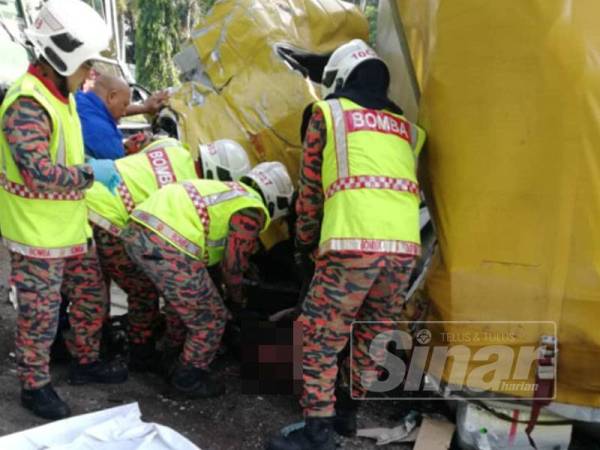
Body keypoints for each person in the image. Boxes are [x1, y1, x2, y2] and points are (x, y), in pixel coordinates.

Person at [266, 39, 426, 450]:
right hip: (404, 251)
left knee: (319, 336)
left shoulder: (328, 114)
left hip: (353, 244)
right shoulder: (409, 129)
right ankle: (346, 417)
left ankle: (317, 432)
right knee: (371, 335)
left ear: (338, 78)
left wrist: (303, 249)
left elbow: (311, 194)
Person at [0, 0, 128, 420]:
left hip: (71, 229)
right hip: (37, 235)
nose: (91, 71)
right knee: (38, 315)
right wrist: (91, 173)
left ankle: (84, 362)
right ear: (63, 55)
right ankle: (34, 385)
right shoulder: (27, 102)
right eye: (86, 62)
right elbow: (38, 171)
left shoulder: (62, 94)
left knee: (91, 295)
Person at [122, 162, 294, 397]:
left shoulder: (227, 191)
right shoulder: (251, 209)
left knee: (181, 305)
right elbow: (232, 267)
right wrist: (236, 300)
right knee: (210, 318)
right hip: (166, 242)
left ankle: (172, 355)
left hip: (137, 230)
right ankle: (187, 379)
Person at [85, 137, 252, 370]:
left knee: (92, 291)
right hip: (110, 220)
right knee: (143, 289)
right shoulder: (190, 185)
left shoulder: (175, 149)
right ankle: (141, 354)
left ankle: (97, 348)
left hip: (85, 201)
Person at [76, 73, 169, 159]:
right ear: (112, 96)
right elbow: (120, 169)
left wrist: (145, 108)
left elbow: (106, 109)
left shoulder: (77, 99)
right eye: (124, 105)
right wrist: (138, 150)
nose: (124, 113)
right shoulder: (105, 136)